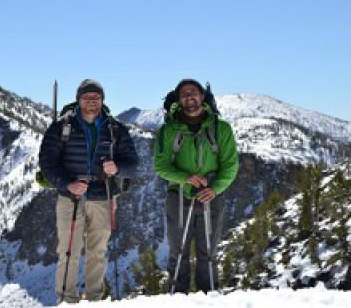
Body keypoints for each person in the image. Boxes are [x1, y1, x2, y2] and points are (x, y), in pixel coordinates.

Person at [39, 79, 138, 303]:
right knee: (68, 251)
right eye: (87, 97)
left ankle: (95, 300)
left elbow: (133, 163)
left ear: (102, 100)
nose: (92, 101)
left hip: (103, 194)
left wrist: (118, 168)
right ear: (78, 99)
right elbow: (47, 162)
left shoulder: (115, 129)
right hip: (71, 196)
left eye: (96, 97)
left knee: (97, 252)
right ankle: (67, 300)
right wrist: (67, 184)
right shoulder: (62, 126)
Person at [154, 79, 239, 293]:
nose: (189, 96)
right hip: (179, 194)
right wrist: (185, 178)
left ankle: (207, 297)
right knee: (178, 251)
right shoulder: (168, 131)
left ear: (202, 97)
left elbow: (230, 164)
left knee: (208, 252)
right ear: (178, 99)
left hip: (211, 195)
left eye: (193, 92)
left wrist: (215, 189)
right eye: (184, 94)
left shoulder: (221, 129)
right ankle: (177, 299)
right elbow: (160, 166)